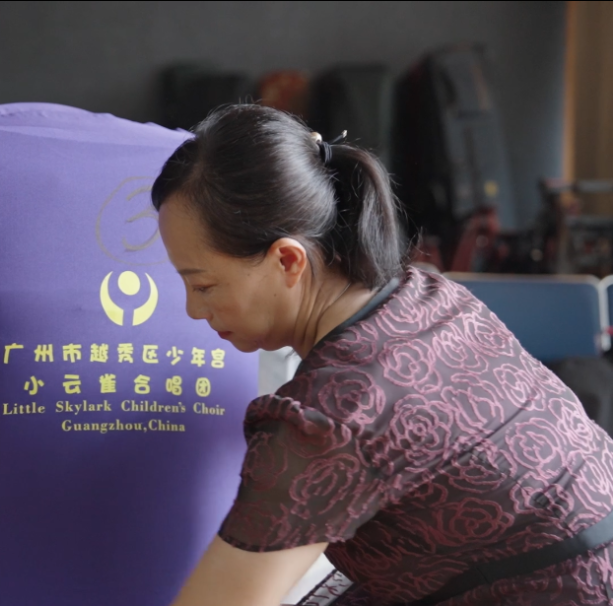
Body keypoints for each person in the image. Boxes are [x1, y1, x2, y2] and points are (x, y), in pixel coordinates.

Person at [153, 104, 613, 605]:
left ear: (287, 259)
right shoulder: (433, 299)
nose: (193, 309)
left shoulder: (328, 418)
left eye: (203, 285)